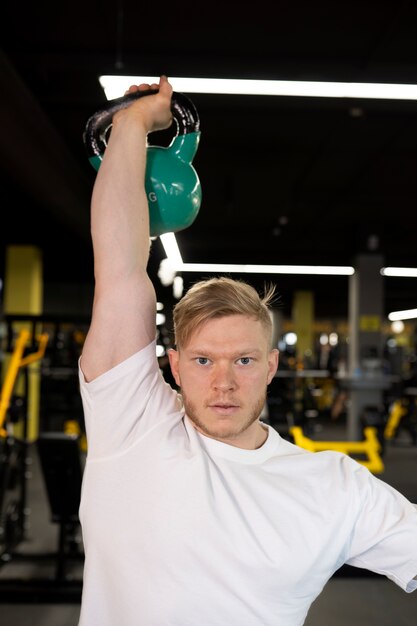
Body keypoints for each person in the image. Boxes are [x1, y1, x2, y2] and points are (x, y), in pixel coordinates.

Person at [77, 76, 417, 626]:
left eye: (244, 360)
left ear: (272, 366)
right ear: (174, 365)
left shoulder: (333, 486)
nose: (224, 382)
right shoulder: (132, 422)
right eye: (204, 360)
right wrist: (133, 125)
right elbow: (118, 271)